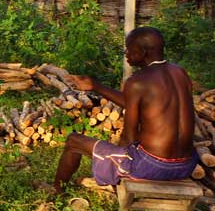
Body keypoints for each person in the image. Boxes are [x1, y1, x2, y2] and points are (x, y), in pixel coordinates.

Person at [51, 27, 198, 193]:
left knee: (73, 141)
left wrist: (118, 159)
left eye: (129, 49)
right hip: (186, 165)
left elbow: (129, 136)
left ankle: (56, 190)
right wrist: (95, 86)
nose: (126, 53)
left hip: (153, 166)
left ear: (143, 52)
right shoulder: (180, 73)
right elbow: (141, 104)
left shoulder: (137, 81)